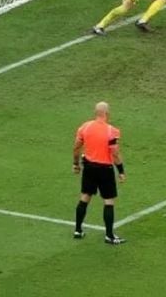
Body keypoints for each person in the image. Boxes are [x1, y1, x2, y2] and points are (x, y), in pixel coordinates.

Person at [72, 101, 126, 245]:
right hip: (105, 169)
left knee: (85, 197)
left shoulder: (85, 127)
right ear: (107, 113)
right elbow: (114, 153)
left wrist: (76, 164)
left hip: (89, 167)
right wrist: (121, 171)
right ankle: (109, 235)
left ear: (96, 113)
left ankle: (78, 230)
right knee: (108, 201)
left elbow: (76, 147)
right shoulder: (111, 131)